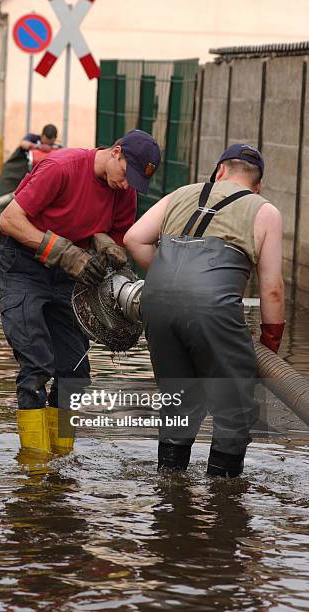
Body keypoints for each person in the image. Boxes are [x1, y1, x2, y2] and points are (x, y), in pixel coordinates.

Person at [0, 129, 161, 454]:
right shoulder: (62, 167)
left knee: (74, 373)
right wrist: (66, 253)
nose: (127, 186)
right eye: (127, 175)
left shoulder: (123, 192)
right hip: (22, 265)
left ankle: (60, 459)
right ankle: (35, 468)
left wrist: (107, 247)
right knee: (37, 364)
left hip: (71, 273)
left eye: (136, 183)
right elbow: (9, 220)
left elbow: (112, 233)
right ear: (115, 152)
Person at [123, 144, 285, 477]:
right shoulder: (264, 210)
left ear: (219, 171)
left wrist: (170, 285)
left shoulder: (181, 193)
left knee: (178, 400)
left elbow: (134, 238)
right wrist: (269, 344)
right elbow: (272, 288)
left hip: (156, 306)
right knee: (234, 407)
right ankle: (223, 497)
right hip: (213, 310)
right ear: (258, 185)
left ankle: (169, 483)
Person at [0, 124, 60, 243]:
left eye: (50, 143)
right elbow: (24, 144)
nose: (47, 145)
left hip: (32, 182)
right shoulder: (32, 138)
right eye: (46, 141)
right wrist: (38, 147)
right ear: (42, 136)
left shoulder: (57, 148)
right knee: (0, 209)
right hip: (13, 176)